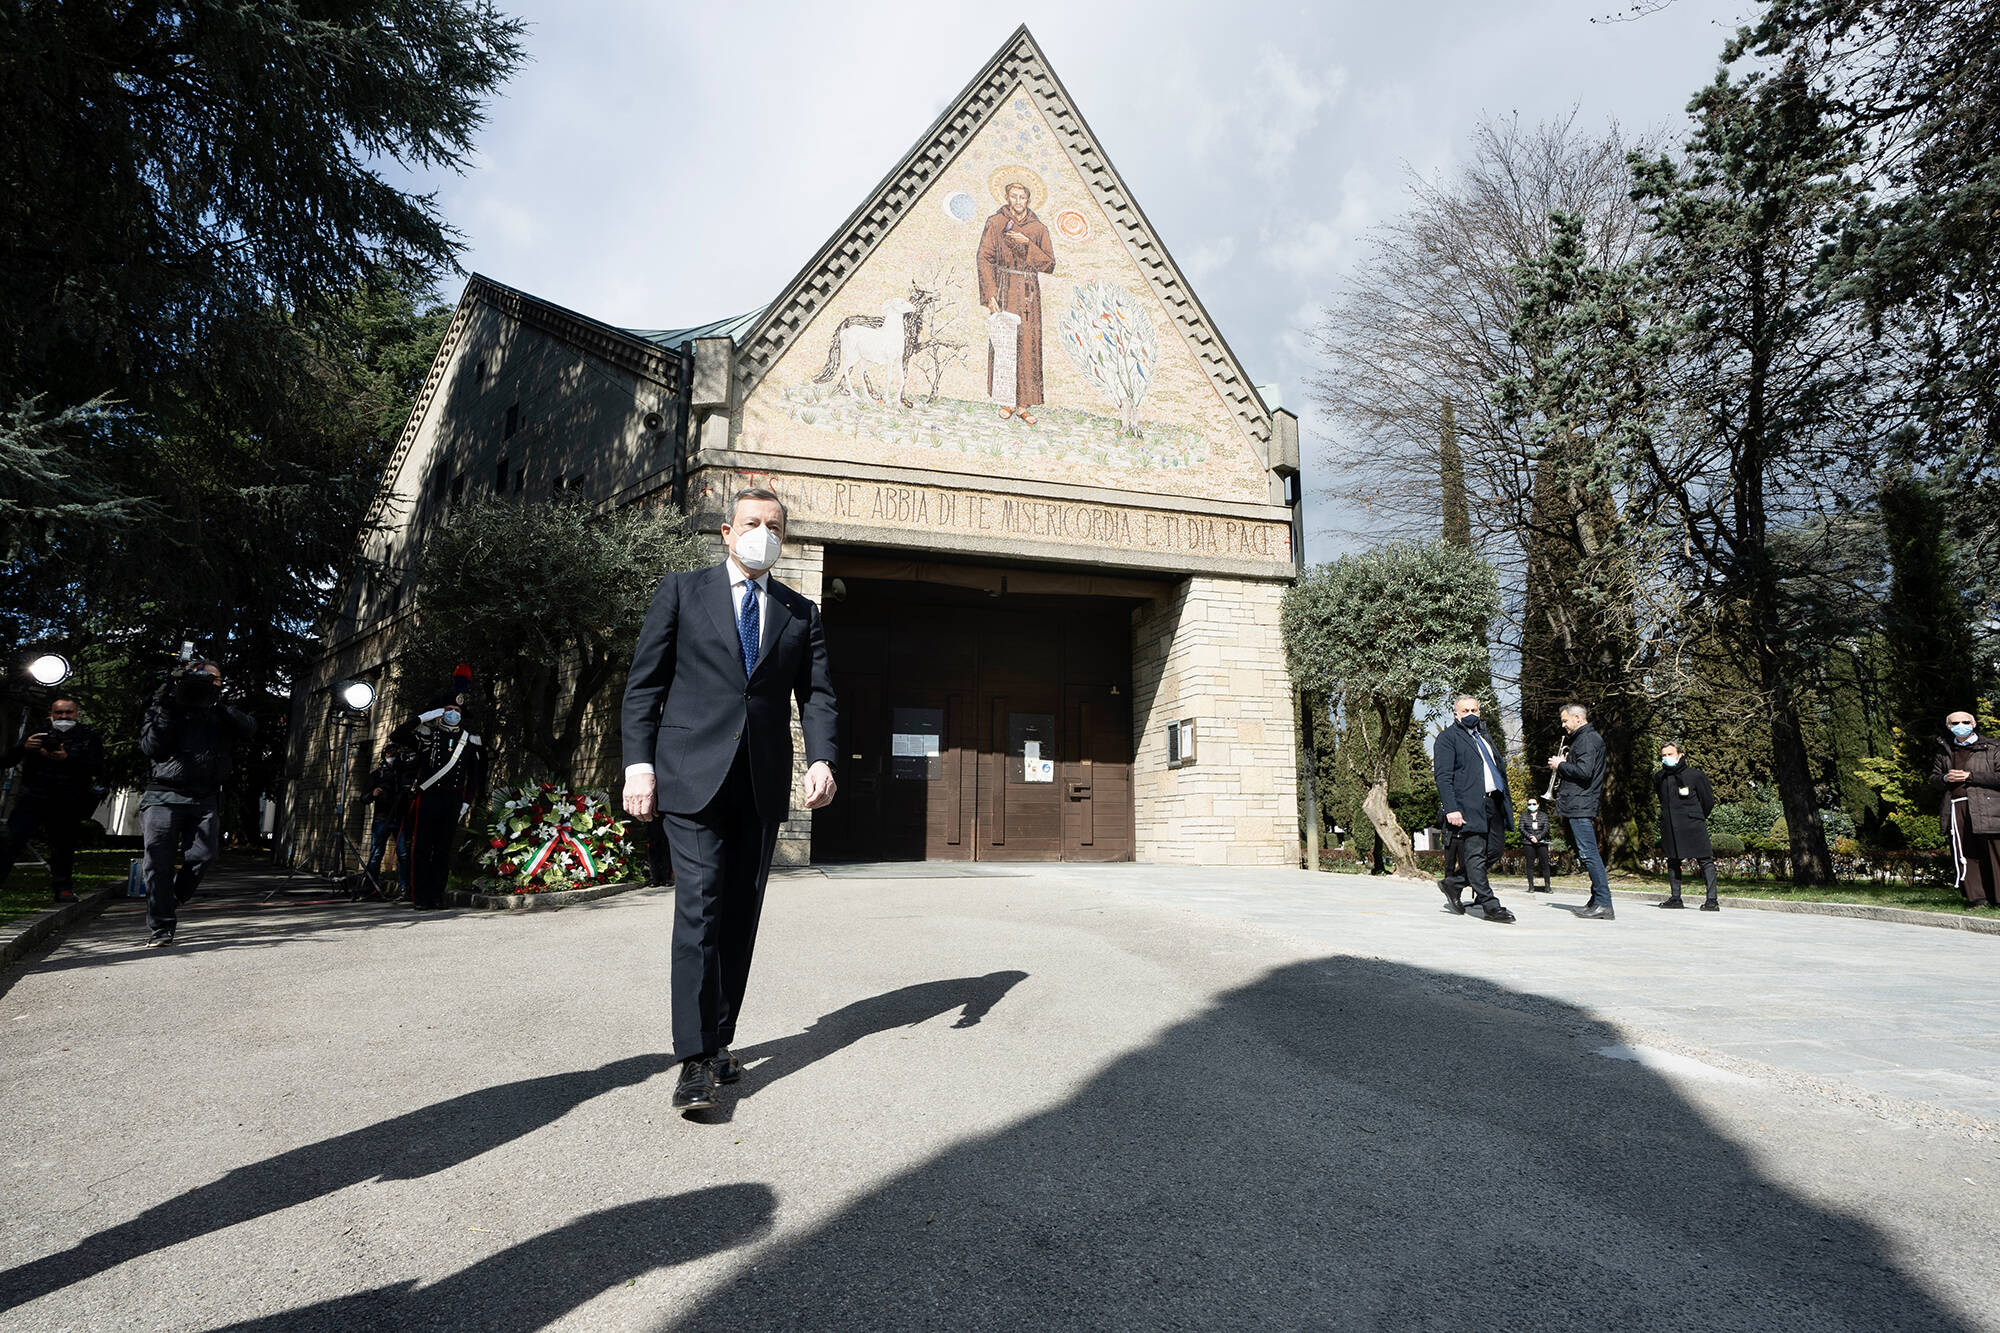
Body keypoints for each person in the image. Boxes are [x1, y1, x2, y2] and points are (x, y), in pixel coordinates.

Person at [622, 487, 839, 1112]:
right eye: (752, 523)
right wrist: (639, 766)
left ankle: (720, 1041)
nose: (762, 533)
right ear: (726, 531)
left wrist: (821, 757)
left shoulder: (801, 613)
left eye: (774, 526)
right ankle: (692, 1060)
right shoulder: (682, 592)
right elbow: (645, 687)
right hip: (689, 778)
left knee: (739, 918)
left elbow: (818, 695)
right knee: (700, 907)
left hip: (760, 783)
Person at [138, 661, 256, 946]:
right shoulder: (166, 706)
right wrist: (168, 707)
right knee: (159, 863)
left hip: (205, 797)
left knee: (204, 855)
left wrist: (215, 705)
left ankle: (174, 897)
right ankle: (162, 927)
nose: (211, 683)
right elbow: (151, 747)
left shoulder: (220, 711)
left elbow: (249, 729)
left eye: (216, 679)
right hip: (163, 795)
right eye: (204, 678)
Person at [390, 667, 486, 912]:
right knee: (422, 848)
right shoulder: (427, 736)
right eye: (449, 710)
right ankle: (420, 896)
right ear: (441, 712)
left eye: (457, 711)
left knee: (443, 850)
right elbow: (397, 735)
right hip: (428, 797)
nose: (453, 714)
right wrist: (423, 717)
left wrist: (467, 801)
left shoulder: (470, 740)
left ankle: (436, 895)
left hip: (453, 799)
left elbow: (475, 775)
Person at [0, 695, 106, 903]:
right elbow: (7, 761)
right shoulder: (37, 733)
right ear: (51, 714)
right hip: (32, 797)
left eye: (68, 712)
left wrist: (68, 759)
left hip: (67, 799)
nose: (63, 716)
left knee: (63, 846)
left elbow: (96, 766)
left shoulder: (88, 736)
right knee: (11, 841)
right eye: (59, 712)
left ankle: (63, 889)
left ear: (77, 714)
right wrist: (24, 747)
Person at [976, 171, 1055, 425]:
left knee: (1028, 346)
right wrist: (989, 294)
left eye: (1022, 197)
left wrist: (1026, 244)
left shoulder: (1038, 228)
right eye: (1014, 196)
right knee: (1005, 343)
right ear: (1007, 197)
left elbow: (1049, 264)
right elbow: (983, 257)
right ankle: (1007, 401)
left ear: (1029, 200)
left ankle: (1024, 405)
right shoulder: (995, 222)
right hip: (1004, 288)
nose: (1018, 201)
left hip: (1029, 292)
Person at [1431, 695, 1517, 924]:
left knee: (1495, 851)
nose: (1471, 713)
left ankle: (1454, 883)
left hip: (1493, 803)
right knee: (1475, 855)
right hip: (1468, 806)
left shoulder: (1484, 736)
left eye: (1474, 709)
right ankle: (1490, 905)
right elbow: (1443, 776)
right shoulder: (1447, 738)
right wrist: (1452, 808)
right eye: (1465, 710)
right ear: (1456, 714)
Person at [1547, 703, 1613, 919]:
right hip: (1578, 803)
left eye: (1565, 721)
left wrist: (1560, 765)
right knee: (1587, 852)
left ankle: (1604, 902)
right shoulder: (1585, 739)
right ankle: (1596, 900)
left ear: (1577, 718)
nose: (1564, 725)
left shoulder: (1586, 739)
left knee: (1589, 854)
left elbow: (1584, 772)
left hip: (1580, 804)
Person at [1931, 709, 1999, 909]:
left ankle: (1998, 897)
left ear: (1974, 723)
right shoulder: (1945, 750)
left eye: (1965, 721)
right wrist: (1944, 778)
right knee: (1967, 853)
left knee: (1995, 852)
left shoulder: (1993, 747)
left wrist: (1969, 776)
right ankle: (1977, 898)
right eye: (1955, 723)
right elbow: (1933, 778)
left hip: (1989, 805)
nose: (1961, 726)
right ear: (1948, 727)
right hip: (1957, 805)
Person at [1653, 743, 1720, 910]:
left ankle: (1712, 900)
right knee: (1673, 860)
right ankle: (1676, 898)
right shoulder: (1659, 777)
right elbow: (1661, 798)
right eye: (1664, 755)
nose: (1667, 758)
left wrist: (1697, 816)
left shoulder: (1695, 775)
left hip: (1693, 824)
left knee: (1705, 860)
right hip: (1670, 824)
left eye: (1670, 754)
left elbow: (1708, 801)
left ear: (1680, 754)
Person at [361, 743, 413, 900]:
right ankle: (372, 887)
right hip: (382, 819)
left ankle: (404, 888)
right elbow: (363, 798)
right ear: (384, 756)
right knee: (376, 853)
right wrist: (373, 794)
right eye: (390, 754)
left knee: (403, 854)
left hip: (400, 819)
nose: (393, 757)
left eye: (395, 754)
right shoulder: (377, 775)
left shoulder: (402, 775)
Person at [1519, 796, 1554, 893]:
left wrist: (1538, 837)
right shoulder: (1524, 815)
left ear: (1537, 805)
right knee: (1529, 864)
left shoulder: (1543, 815)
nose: (1532, 806)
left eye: (1534, 804)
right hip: (1528, 843)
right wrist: (1531, 836)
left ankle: (1547, 886)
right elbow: (1521, 828)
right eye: (1529, 804)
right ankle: (1531, 886)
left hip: (1542, 843)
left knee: (1545, 864)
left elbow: (1546, 828)